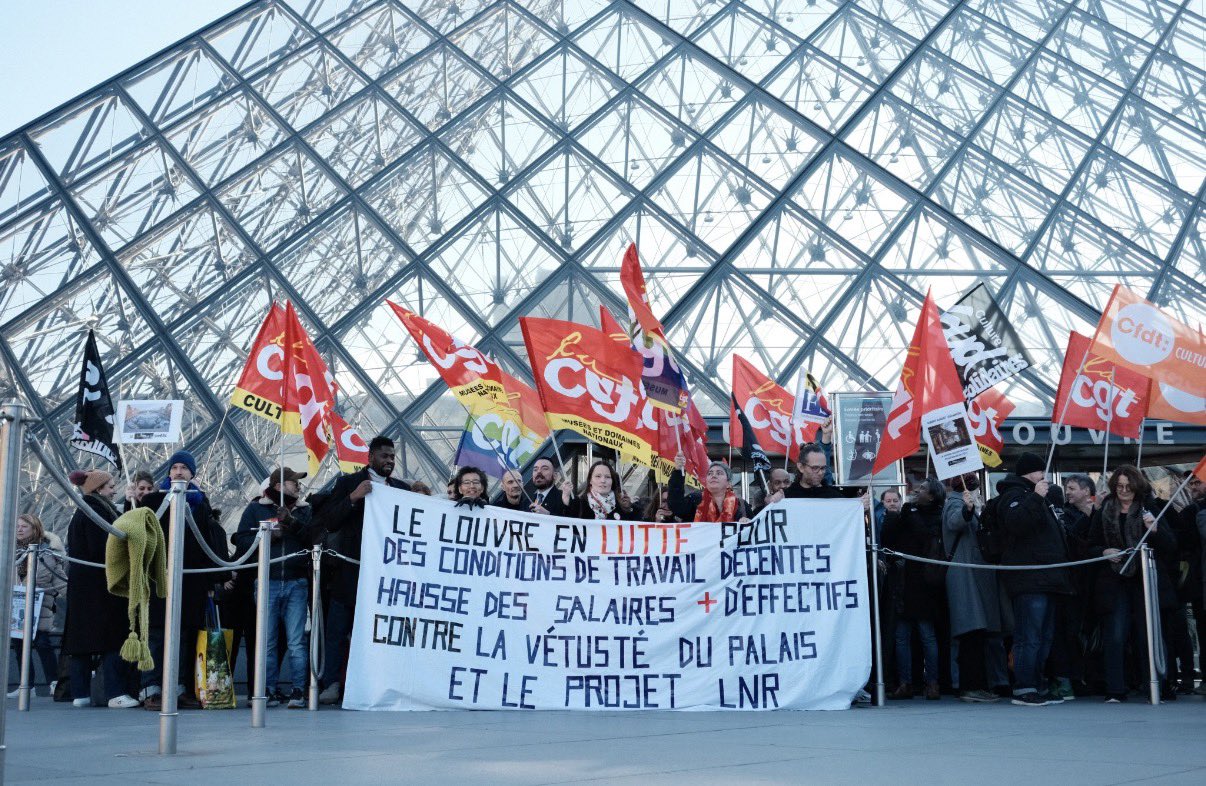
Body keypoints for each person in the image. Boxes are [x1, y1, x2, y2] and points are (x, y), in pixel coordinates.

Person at [313, 436, 408, 704]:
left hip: (387, 574)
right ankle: (331, 682)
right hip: (349, 572)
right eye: (384, 456)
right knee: (338, 630)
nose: (389, 461)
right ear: (370, 458)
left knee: (381, 632)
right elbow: (329, 521)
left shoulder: (402, 489)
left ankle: (380, 682)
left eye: (392, 457)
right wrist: (353, 498)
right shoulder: (347, 483)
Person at [137, 450, 230, 711]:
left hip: (191, 581)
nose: (178, 472)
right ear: (169, 472)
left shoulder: (201, 503)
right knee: (156, 634)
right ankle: (151, 689)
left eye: (183, 468)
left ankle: (179, 688)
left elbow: (208, 543)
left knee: (185, 635)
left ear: (192, 473)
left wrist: (212, 582)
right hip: (159, 577)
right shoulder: (154, 500)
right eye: (175, 467)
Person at [1088, 465, 1178, 702]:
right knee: (1115, 634)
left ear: (1137, 487)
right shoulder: (1105, 510)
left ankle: (1156, 685)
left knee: (1148, 634)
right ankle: (1115, 689)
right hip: (1115, 579)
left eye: (1128, 487)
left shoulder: (1151, 508)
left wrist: (1155, 530)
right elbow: (1088, 544)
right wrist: (1104, 550)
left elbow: (1171, 547)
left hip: (1145, 579)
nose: (1124, 491)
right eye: (1119, 487)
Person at [996, 452, 1074, 707]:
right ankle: (1024, 686)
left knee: (1044, 636)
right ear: (1030, 473)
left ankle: (1037, 684)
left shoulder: (1041, 499)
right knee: (1029, 636)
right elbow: (1017, 524)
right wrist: (1036, 497)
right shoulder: (1013, 496)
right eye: (1041, 472)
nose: (1046, 477)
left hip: (1049, 577)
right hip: (1029, 578)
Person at [234, 467, 315, 709]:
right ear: (279, 485)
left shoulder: (305, 511)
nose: (298, 486)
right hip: (267, 581)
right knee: (267, 641)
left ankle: (298, 690)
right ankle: (267, 690)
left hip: (296, 582)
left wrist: (292, 522)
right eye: (293, 482)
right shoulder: (256, 509)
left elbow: (314, 538)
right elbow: (241, 541)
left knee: (296, 642)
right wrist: (268, 536)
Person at [64, 470, 139, 708]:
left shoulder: (84, 510)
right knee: (113, 638)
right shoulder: (96, 513)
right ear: (98, 489)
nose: (114, 489)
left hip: (83, 587)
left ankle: (80, 694)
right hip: (102, 587)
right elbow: (104, 548)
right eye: (110, 486)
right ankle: (114, 693)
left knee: (83, 643)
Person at [882, 477, 945, 700]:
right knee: (901, 635)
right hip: (904, 579)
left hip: (925, 581)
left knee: (927, 635)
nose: (917, 491)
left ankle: (933, 682)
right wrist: (894, 516)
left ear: (932, 495)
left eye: (922, 489)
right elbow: (889, 538)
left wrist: (913, 513)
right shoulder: (908, 510)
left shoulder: (938, 515)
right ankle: (905, 682)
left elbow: (925, 536)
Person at [942, 475, 1001, 703]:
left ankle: (975, 685)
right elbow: (955, 522)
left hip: (970, 575)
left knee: (974, 634)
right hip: (964, 575)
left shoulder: (962, 501)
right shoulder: (956, 503)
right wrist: (967, 509)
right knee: (970, 634)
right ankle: (970, 686)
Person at [9, 514, 66, 698]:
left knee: (42, 643)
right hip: (17, 607)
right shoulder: (9, 552)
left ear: (35, 529)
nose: (19, 529)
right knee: (18, 645)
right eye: (17, 526)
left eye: (24, 526)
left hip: (40, 608)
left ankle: (53, 681)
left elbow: (61, 579)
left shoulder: (48, 553)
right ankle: (27, 685)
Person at [668, 455, 750, 523]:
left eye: (719, 473)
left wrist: (748, 523)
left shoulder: (741, 505)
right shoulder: (695, 500)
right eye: (710, 473)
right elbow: (676, 506)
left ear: (728, 483)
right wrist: (678, 471)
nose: (713, 476)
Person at [568, 461, 633, 520]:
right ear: (590, 480)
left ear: (612, 481)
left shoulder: (622, 504)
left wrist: (627, 509)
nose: (603, 481)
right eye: (598, 476)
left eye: (607, 477)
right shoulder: (579, 504)